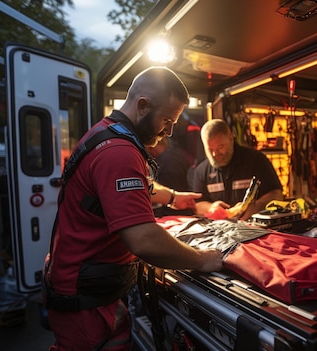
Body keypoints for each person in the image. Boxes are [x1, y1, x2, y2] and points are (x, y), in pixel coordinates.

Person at [42, 66, 224, 351]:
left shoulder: (106, 133)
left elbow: (122, 191)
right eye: (166, 119)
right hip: (86, 302)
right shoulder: (119, 152)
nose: (170, 131)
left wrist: (173, 197)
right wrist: (203, 259)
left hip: (83, 287)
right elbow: (143, 240)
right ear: (142, 106)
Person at [192, 118, 284, 220]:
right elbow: (197, 205)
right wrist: (211, 207)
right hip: (219, 231)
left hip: (255, 227)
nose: (215, 154)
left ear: (231, 138)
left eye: (220, 147)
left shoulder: (256, 160)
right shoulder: (202, 170)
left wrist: (257, 206)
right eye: (210, 149)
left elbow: (276, 194)